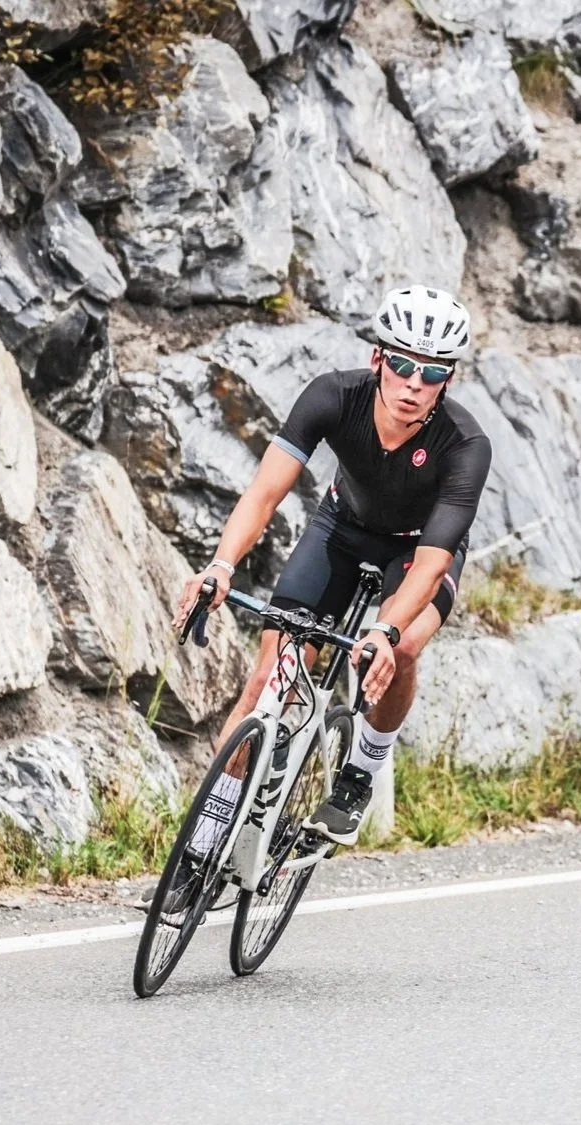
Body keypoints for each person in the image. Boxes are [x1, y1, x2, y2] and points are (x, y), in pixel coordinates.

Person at [171, 285, 490, 848]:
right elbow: (264, 494)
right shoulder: (331, 396)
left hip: (416, 552)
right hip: (341, 530)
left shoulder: (464, 444)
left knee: (407, 644)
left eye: (433, 373)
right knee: (268, 680)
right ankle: (200, 848)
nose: (414, 384)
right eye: (402, 364)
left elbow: (436, 559)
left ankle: (360, 770)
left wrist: (386, 632)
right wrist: (221, 565)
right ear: (378, 359)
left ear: (449, 379)